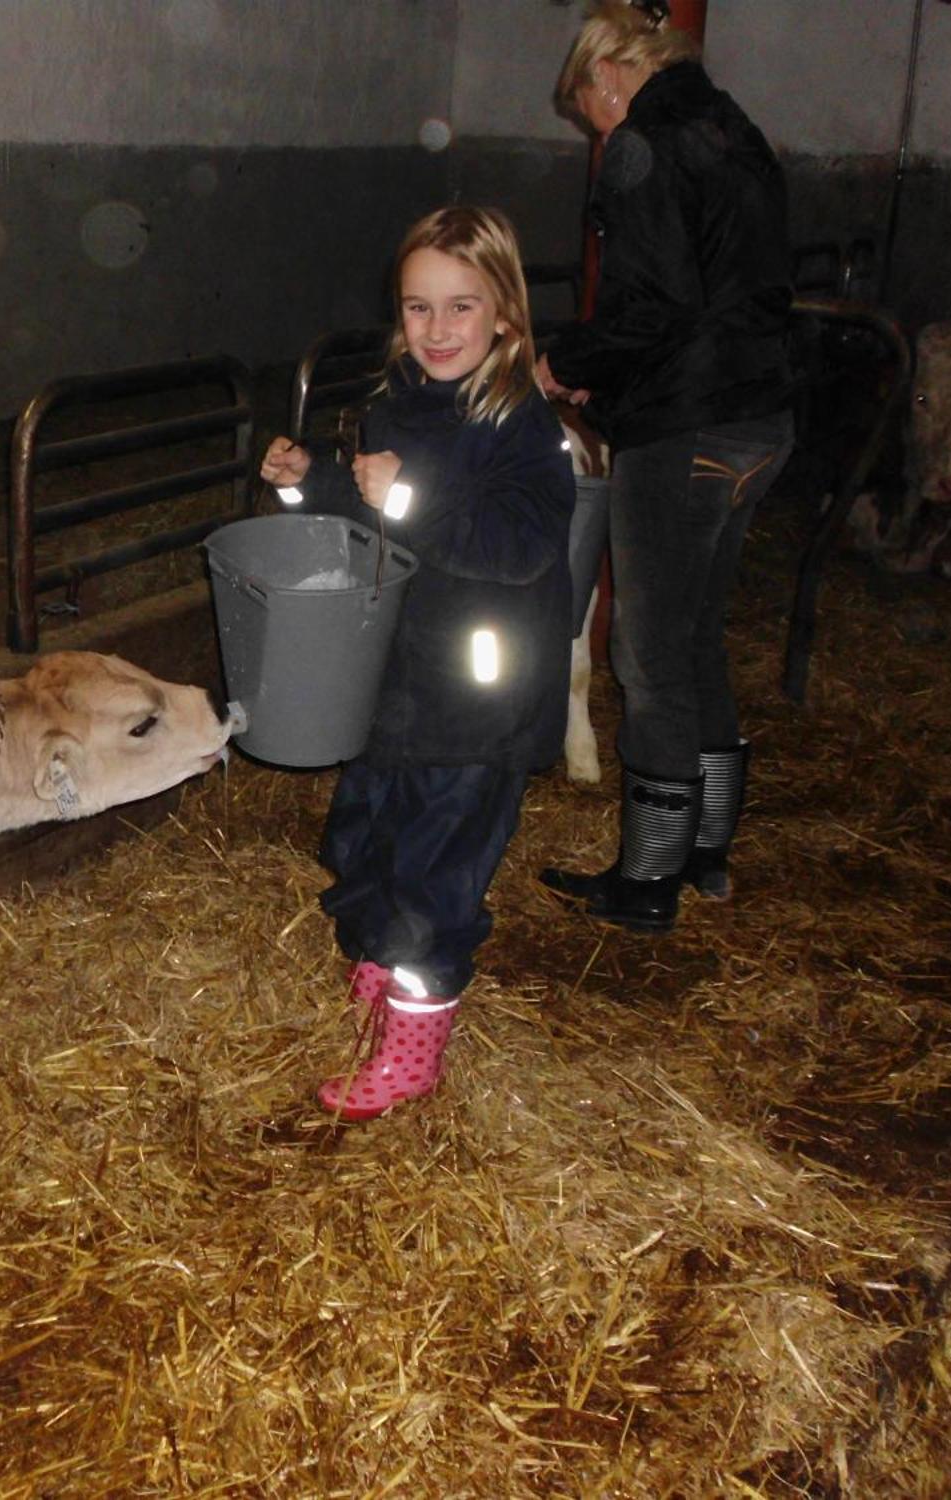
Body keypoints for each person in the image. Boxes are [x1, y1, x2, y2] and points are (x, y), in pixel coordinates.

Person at [259, 205, 575, 1120]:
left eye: (461, 308)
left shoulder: (523, 426)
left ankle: (414, 1042)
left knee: (436, 868)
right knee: (369, 835)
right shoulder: (396, 403)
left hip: (477, 697)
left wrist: (415, 494)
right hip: (394, 678)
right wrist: (302, 483)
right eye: (418, 308)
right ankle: (381, 972)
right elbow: (369, 508)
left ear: (506, 315)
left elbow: (520, 544)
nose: (436, 331)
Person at [535, 0, 796, 934]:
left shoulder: (645, 145)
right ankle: (708, 851)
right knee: (695, 638)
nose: (596, 131)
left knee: (644, 651)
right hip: (762, 419)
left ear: (608, 78)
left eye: (588, 111)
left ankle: (646, 881)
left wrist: (567, 362)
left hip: (687, 431)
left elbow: (651, 310)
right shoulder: (733, 129)